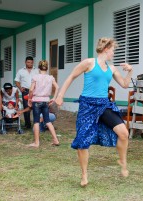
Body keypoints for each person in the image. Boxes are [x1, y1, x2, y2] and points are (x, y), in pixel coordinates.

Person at [55, 37, 133, 187]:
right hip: (88, 105)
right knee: (83, 142)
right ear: (105, 49)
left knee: (124, 133)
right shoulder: (89, 63)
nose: (113, 54)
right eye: (112, 51)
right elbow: (71, 76)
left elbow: (124, 84)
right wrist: (60, 95)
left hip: (104, 105)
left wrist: (130, 71)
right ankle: (84, 175)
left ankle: (122, 161)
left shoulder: (112, 69)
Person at [27, 60, 59, 148]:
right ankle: (55, 139)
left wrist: (29, 98)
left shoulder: (35, 77)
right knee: (47, 121)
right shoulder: (50, 77)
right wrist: (54, 98)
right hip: (46, 101)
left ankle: (36, 143)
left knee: (36, 121)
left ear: (38, 68)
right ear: (47, 68)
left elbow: (30, 90)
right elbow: (57, 87)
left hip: (36, 100)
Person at [15, 56, 38, 128]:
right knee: (26, 107)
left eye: (31, 62)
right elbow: (16, 81)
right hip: (25, 91)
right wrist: (20, 88)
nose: (30, 64)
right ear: (25, 62)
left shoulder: (36, 71)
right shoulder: (20, 71)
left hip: (35, 91)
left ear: (33, 62)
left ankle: (36, 124)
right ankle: (27, 124)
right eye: (28, 62)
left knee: (35, 107)